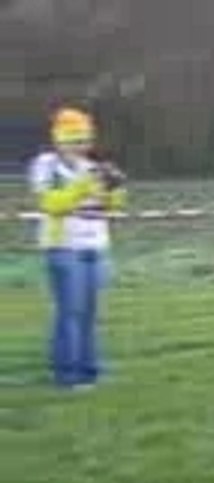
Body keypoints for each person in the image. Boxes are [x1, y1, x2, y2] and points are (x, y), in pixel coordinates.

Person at [28, 107, 127, 389]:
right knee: (69, 312)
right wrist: (82, 187)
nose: (80, 147)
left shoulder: (91, 167)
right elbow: (52, 204)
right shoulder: (45, 165)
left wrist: (116, 188)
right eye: (73, 140)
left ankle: (91, 370)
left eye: (84, 140)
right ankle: (67, 374)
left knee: (90, 313)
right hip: (63, 247)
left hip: (95, 246)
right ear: (58, 140)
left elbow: (110, 206)